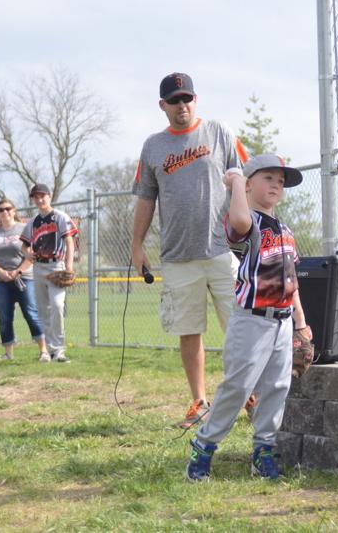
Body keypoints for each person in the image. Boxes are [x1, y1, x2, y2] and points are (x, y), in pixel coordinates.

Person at [132, 72, 249, 429]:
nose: (182, 106)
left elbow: (246, 177)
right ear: (162, 105)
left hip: (222, 249)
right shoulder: (153, 146)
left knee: (242, 327)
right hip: (178, 255)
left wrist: (254, 229)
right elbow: (145, 199)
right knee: (189, 331)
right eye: (174, 100)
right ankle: (199, 401)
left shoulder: (219, 132)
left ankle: (250, 396)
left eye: (187, 99)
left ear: (195, 100)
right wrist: (136, 244)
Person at [186, 154, 312, 481]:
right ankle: (204, 445)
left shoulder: (284, 230)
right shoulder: (245, 222)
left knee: (277, 386)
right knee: (239, 386)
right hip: (252, 319)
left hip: (283, 321)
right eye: (268, 177)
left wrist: (300, 323)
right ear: (250, 182)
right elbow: (240, 223)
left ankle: (264, 450)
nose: (276, 185)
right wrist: (236, 182)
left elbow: (291, 280)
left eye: (280, 181)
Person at [0, 199, 50, 362]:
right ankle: (8, 353)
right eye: (1, 210)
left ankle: (43, 351)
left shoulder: (24, 229)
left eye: (8, 209)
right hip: (1, 281)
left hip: (24, 278)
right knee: (5, 317)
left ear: (14, 211)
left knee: (31, 313)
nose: (4, 212)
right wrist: (0, 271)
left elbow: (31, 255)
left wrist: (18, 270)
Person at [21, 183, 78, 362]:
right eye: (36, 197)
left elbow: (69, 241)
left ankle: (59, 349)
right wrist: (27, 252)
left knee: (57, 305)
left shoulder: (59, 216)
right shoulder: (33, 222)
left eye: (42, 195)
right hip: (38, 268)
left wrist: (69, 266)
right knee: (44, 311)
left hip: (56, 266)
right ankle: (51, 351)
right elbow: (23, 244)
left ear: (49, 195)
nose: (39, 199)